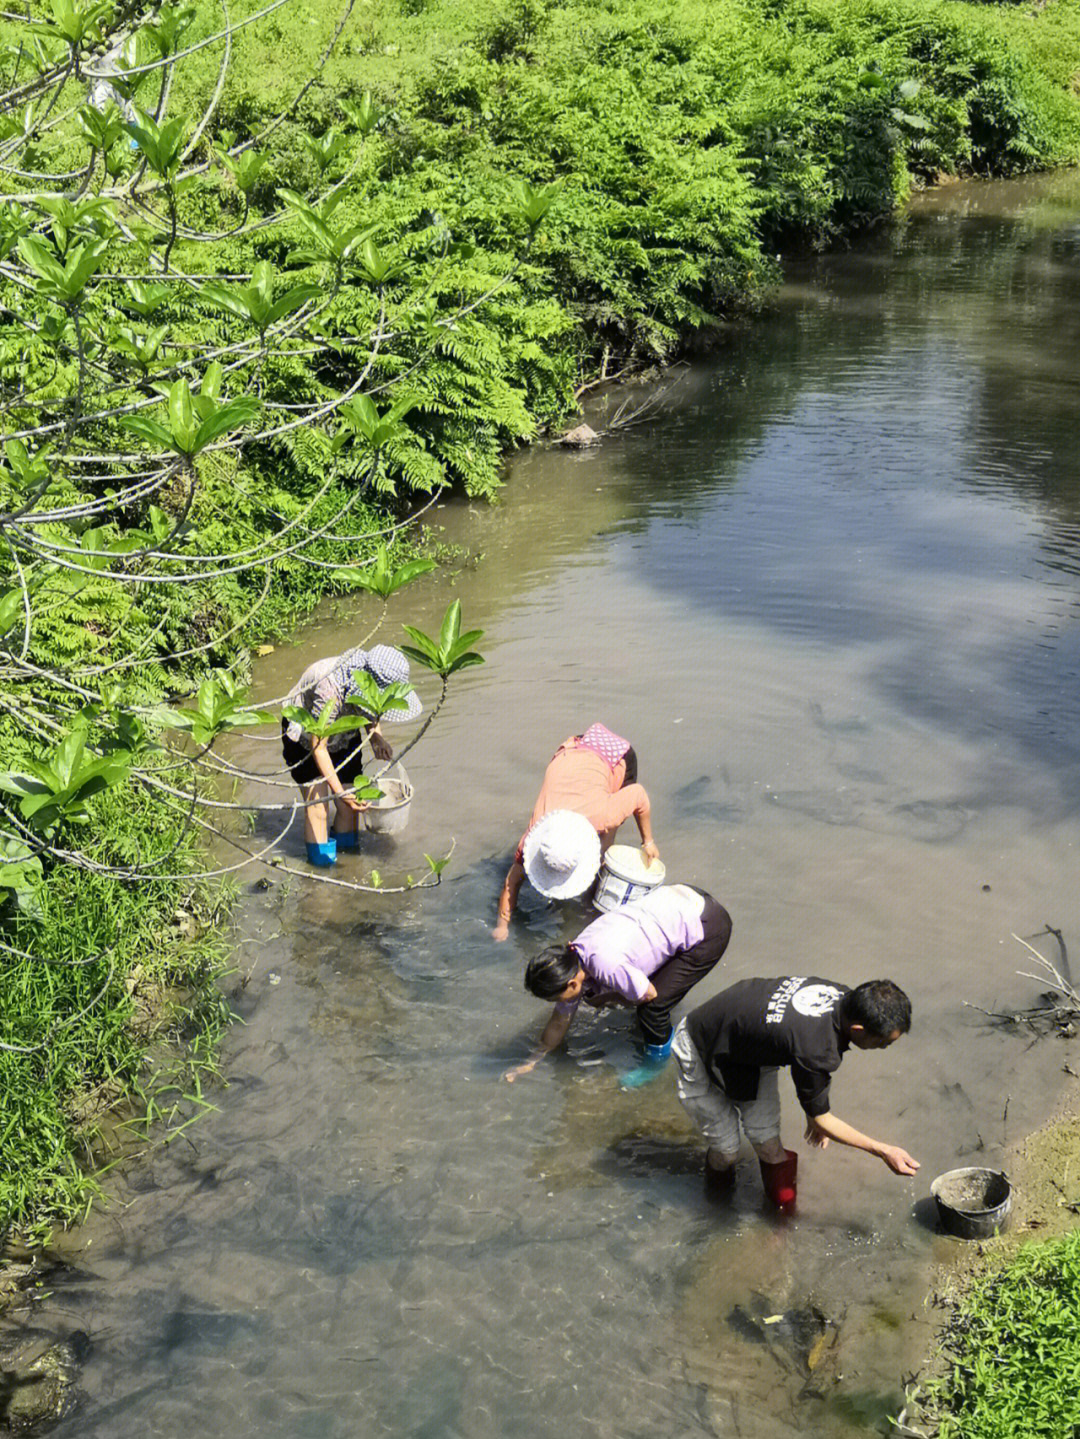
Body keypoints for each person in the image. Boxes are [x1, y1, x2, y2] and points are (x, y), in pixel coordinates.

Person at [673, 976, 919, 1209]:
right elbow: (812, 1064)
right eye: (882, 1042)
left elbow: (805, 1061)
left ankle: (779, 1224)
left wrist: (813, 1111)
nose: (884, 1047)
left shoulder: (845, 997)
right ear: (857, 1029)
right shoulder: (816, 1046)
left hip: (751, 1047)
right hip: (700, 1042)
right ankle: (716, 1206)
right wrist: (884, 1150)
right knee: (726, 1151)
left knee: (769, 1145)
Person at [504, 884, 731, 1083]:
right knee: (639, 986)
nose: (555, 1003)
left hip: (708, 928)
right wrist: (532, 1061)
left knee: (652, 1009)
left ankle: (655, 1065)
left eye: (554, 998)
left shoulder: (604, 963)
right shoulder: (575, 954)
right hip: (684, 897)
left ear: (572, 985)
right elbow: (558, 1022)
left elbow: (649, 994)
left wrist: (607, 998)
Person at [493, 723, 659, 939]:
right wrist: (502, 926)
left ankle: (599, 870)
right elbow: (511, 881)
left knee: (607, 838)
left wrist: (648, 842)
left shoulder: (602, 816)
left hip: (615, 756)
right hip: (571, 750)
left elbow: (638, 795)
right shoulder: (533, 836)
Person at [281, 643, 421, 866]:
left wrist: (376, 737)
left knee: (351, 804)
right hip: (307, 736)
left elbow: (370, 706)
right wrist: (338, 792)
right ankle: (323, 872)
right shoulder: (329, 688)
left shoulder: (367, 677)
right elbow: (319, 746)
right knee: (319, 806)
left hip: (343, 730)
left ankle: (347, 865)